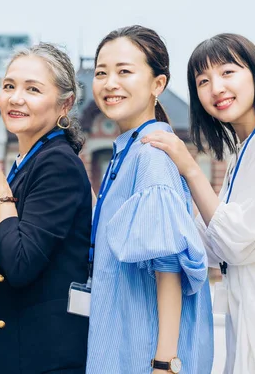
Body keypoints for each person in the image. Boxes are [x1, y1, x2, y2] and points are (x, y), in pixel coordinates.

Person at [142, 33, 255, 373]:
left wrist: (189, 168)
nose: (216, 89)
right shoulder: (244, 149)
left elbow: (233, 242)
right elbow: (211, 245)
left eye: (227, 73)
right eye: (203, 81)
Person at [86, 25, 213, 374]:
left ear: (158, 84)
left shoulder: (152, 154)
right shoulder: (128, 150)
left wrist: (164, 364)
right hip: (121, 341)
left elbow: (169, 267)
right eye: (101, 72)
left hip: (140, 352)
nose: (110, 82)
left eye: (124, 71)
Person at [0, 42, 91, 373]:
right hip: (24, 352)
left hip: (46, 358)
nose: (15, 98)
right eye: (9, 86)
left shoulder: (56, 163)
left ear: (66, 103)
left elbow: (19, 263)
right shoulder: (30, 160)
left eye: (32, 89)